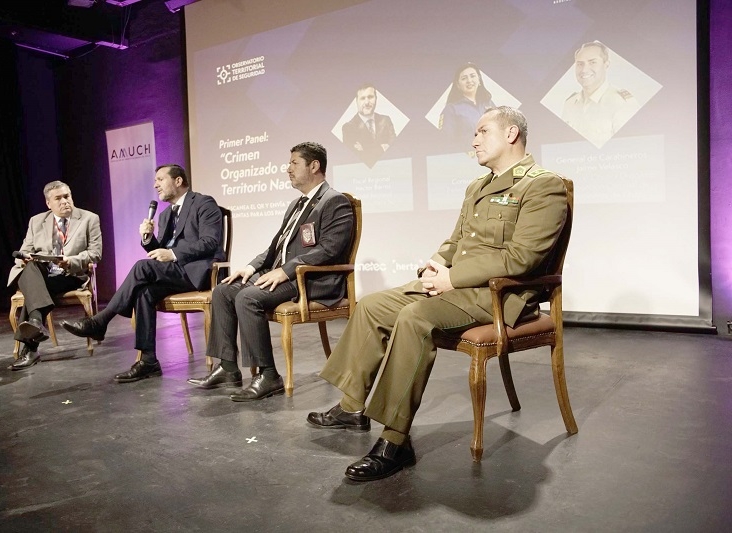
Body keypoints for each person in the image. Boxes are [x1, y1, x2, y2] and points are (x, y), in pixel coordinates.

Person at [307, 107, 569, 482]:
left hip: (497, 297)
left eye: (481, 131)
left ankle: (395, 442)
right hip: (457, 285)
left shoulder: (542, 184)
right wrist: (435, 264)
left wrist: (453, 277)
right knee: (372, 306)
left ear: (511, 134)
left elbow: (523, 258)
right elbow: (457, 241)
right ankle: (352, 407)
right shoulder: (477, 186)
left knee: (414, 318)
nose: (473, 139)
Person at [187, 142, 354, 401]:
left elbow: (329, 250)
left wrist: (285, 271)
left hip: (312, 279)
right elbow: (275, 247)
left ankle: (268, 376)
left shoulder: (335, 202)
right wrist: (251, 267)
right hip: (289, 275)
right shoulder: (296, 205)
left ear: (314, 165)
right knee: (224, 290)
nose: (288, 169)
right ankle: (228, 367)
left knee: (248, 296)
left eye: (294, 163)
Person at [62, 164, 224, 383]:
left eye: (160, 179)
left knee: (141, 267)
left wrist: (173, 253)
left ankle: (101, 321)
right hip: (173, 273)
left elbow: (210, 242)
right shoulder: (166, 214)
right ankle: (148, 361)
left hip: (197, 273)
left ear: (178, 181)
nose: (155, 185)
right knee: (144, 291)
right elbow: (159, 252)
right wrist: (148, 239)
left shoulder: (204, 203)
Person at [7, 181, 102, 370]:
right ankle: (34, 330)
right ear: (48, 203)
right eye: (58, 198)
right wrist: (25, 258)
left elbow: (95, 253)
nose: (65, 201)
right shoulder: (37, 221)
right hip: (42, 273)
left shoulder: (89, 219)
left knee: (34, 289)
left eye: (67, 196)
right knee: (31, 268)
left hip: (70, 274)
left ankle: (31, 343)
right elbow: (25, 250)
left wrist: (71, 260)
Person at [562, 40, 640, 147]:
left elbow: (630, 148)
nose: (584, 70)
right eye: (580, 64)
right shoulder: (569, 103)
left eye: (592, 62)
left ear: (606, 64)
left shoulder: (622, 104)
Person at [341, 84, 396, 167]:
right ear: (357, 101)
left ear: (376, 99)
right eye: (362, 98)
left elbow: (395, 149)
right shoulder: (348, 128)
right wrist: (382, 148)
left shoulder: (386, 120)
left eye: (370, 97)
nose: (367, 102)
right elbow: (359, 157)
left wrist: (365, 148)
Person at [439, 63, 495, 144]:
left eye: (472, 76)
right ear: (458, 85)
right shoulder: (451, 109)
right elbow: (446, 142)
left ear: (479, 80)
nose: (469, 81)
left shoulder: (488, 102)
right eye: (464, 78)